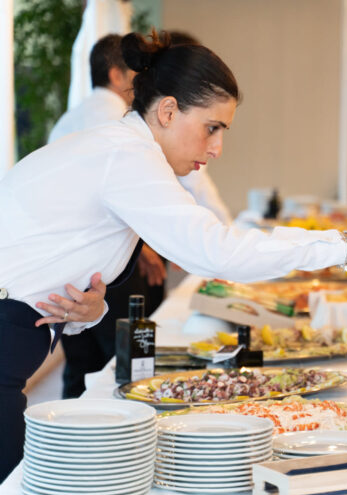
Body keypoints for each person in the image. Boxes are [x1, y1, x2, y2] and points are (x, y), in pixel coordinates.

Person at [0, 30, 347, 482]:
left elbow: (46, 262)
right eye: (212, 128)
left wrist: (88, 310)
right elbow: (216, 253)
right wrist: (345, 244)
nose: (216, 149)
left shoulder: (120, 149)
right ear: (169, 109)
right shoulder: (128, 156)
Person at [47, 32, 238, 398]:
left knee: (85, 362)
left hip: (76, 268)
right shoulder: (120, 128)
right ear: (118, 75)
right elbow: (125, 193)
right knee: (125, 363)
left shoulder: (76, 117)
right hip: (101, 265)